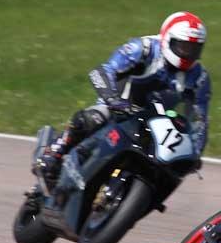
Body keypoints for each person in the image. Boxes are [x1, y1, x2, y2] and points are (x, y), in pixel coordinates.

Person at [35, 11, 211, 181]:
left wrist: (195, 151)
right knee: (93, 118)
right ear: (167, 39)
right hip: (119, 106)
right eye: (183, 46)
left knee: (171, 165)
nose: (188, 53)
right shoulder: (144, 48)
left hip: (158, 122)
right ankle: (55, 152)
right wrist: (112, 100)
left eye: (194, 49)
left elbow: (200, 120)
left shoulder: (200, 77)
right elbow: (102, 71)